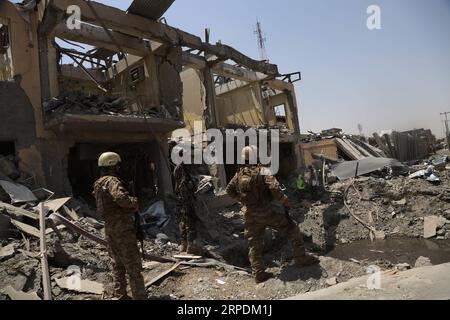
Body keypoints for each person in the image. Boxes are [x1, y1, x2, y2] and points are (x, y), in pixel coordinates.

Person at [226, 146, 319, 284]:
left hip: (250, 214)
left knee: (254, 244)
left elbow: (229, 190)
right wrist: (285, 202)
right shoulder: (262, 171)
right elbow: (275, 188)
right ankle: (301, 258)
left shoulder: (239, 174)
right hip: (267, 212)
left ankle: (258, 273)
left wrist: (242, 200)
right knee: (292, 230)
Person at [93, 152, 147, 300]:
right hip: (122, 228)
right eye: (117, 165)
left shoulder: (99, 183)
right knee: (133, 265)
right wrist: (134, 203)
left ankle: (120, 294)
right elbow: (121, 198)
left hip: (110, 228)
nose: (119, 167)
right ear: (112, 165)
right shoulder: (112, 181)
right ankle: (140, 296)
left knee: (117, 265)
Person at [173, 162, 202, 255]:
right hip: (188, 199)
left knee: (183, 221)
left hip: (181, 198)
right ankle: (190, 246)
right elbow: (193, 185)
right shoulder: (188, 167)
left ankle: (183, 245)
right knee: (191, 221)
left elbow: (177, 186)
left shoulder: (178, 168)